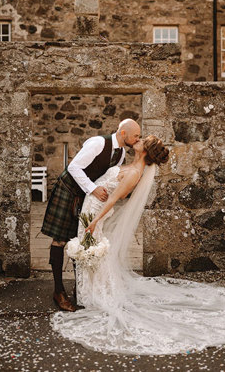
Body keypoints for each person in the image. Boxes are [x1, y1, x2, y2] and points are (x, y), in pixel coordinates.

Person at [51, 136, 225, 354]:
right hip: (91, 208)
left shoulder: (134, 173)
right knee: (93, 253)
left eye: (141, 141)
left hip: (95, 214)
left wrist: (95, 222)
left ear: (145, 151)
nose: (137, 141)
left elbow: (114, 199)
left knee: (92, 251)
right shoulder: (127, 163)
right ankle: (89, 292)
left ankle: (95, 295)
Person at [40, 119, 141, 312]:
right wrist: (93, 189)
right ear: (123, 134)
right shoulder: (98, 143)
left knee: (81, 239)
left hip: (85, 196)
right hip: (68, 190)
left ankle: (81, 288)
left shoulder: (120, 154)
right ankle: (58, 291)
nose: (137, 139)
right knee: (59, 240)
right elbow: (74, 168)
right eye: (135, 135)